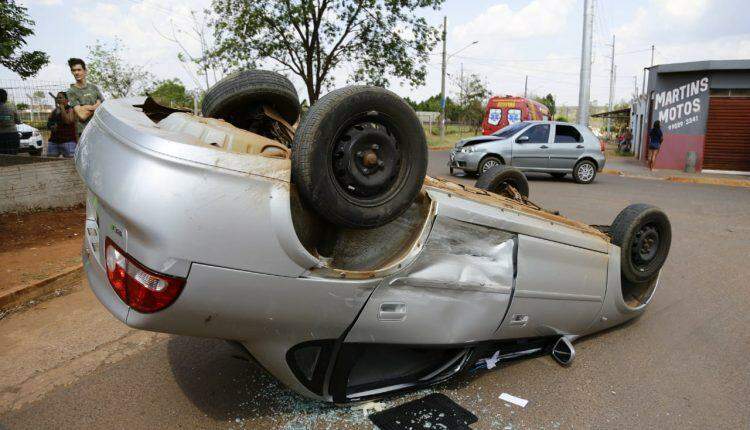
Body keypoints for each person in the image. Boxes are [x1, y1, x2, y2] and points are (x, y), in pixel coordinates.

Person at [66, 58, 104, 138]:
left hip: (99, 129)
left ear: (85, 71)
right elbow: (82, 115)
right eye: (74, 70)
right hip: (85, 133)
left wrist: (85, 107)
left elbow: (103, 107)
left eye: (79, 70)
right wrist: (96, 105)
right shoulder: (71, 91)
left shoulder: (94, 88)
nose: (76, 73)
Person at [47, 92, 78, 158]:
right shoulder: (55, 111)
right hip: (54, 141)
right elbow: (48, 123)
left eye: (60, 98)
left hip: (68, 142)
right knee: (51, 162)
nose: (58, 99)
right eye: (57, 98)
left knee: (69, 163)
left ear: (67, 100)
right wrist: (51, 126)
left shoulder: (71, 110)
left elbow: (67, 121)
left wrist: (62, 108)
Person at [0, 88, 21, 155]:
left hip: (2, 136)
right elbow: (18, 121)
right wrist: (8, 118)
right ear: (5, 98)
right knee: (13, 158)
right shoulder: (11, 108)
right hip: (13, 135)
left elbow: (3, 120)